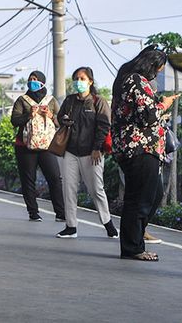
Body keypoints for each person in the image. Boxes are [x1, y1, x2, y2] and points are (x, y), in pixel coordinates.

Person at [111, 45, 179, 261]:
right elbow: (147, 116)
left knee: (153, 194)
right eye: (159, 68)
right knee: (138, 199)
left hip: (141, 148)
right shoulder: (136, 81)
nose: (158, 73)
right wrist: (164, 105)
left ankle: (136, 238)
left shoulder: (129, 79)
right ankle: (133, 248)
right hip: (139, 148)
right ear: (152, 64)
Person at [56, 67, 118, 239]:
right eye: (76, 78)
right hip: (70, 151)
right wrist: (64, 120)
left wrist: (97, 148)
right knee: (68, 189)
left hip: (92, 153)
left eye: (82, 78)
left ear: (90, 81)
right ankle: (71, 226)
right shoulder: (69, 100)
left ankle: (108, 223)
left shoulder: (99, 102)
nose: (78, 82)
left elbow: (104, 126)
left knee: (96, 189)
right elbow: (60, 117)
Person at [10, 71, 65, 222]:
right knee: (28, 180)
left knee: (54, 178)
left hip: (47, 146)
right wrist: (29, 115)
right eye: (30, 79)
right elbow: (14, 120)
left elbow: (60, 122)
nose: (31, 82)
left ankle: (60, 213)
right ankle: (33, 212)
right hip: (25, 146)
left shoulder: (51, 101)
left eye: (35, 79)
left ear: (42, 82)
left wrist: (50, 116)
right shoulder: (22, 100)